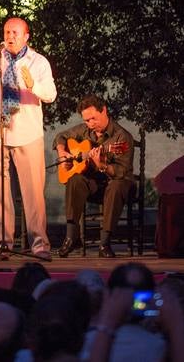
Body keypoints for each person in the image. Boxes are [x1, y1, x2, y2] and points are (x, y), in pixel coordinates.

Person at [0, 17, 57, 261]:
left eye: (16, 32)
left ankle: (39, 245)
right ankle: (0, 245)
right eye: (7, 32)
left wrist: (33, 85)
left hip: (27, 133)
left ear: (26, 36)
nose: (10, 36)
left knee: (33, 194)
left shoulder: (38, 62)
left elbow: (50, 94)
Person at [53, 94, 134, 258]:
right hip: (95, 186)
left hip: (118, 185)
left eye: (93, 119)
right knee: (75, 179)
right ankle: (71, 237)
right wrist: (63, 154)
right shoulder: (84, 130)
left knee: (116, 185)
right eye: (86, 120)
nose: (90, 124)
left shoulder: (121, 137)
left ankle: (104, 243)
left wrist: (102, 165)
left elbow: (121, 172)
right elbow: (59, 137)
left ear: (104, 110)